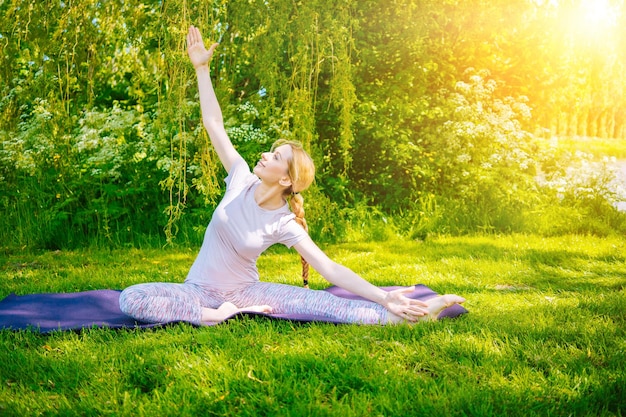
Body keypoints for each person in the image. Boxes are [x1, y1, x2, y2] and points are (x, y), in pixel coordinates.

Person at [118, 25, 465, 325]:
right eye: (271, 151)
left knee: (326, 304)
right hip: (196, 292)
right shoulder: (240, 177)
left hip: (246, 292)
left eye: (276, 156)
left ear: (286, 179)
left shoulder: (284, 222)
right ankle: (215, 316)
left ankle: (410, 317)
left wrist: (384, 297)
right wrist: (202, 70)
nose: (265, 155)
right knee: (131, 298)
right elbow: (213, 124)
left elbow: (329, 269)